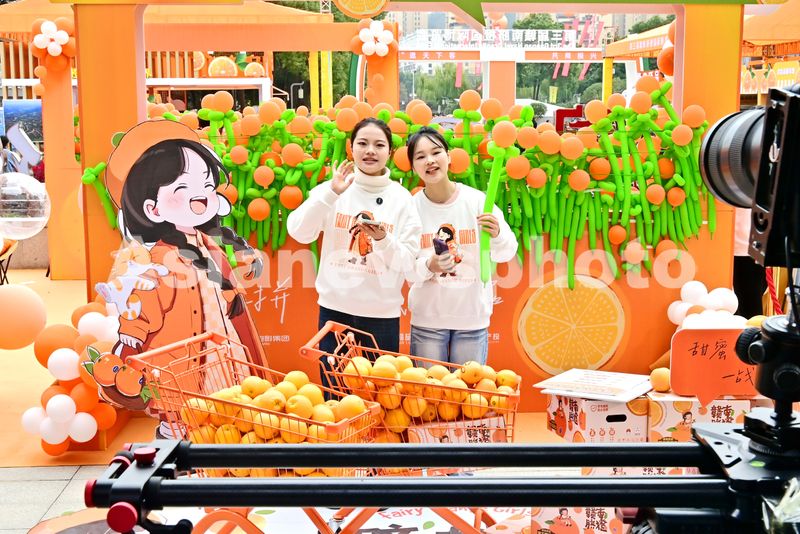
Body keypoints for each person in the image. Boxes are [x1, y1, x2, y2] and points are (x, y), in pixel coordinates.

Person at [103, 120, 267, 369]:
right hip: (188, 356)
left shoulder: (207, 244)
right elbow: (146, 298)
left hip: (224, 345)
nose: (201, 196)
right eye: (183, 187)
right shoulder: (161, 257)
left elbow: (223, 291)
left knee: (230, 388)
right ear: (153, 209)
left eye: (207, 185)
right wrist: (134, 330)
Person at [288, 118, 422, 387]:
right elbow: (299, 231)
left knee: (382, 395)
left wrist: (382, 239)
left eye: (379, 145)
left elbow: (408, 263)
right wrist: (330, 194)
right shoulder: (334, 189)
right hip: (335, 311)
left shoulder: (402, 199)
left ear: (390, 152)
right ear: (351, 148)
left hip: (382, 315)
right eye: (363, 143)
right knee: (335, 392)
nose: (370, 150)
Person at [406, 127, 516, 366]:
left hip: (471, 320)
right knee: (428, 390)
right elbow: (405, 269)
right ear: (413, 167)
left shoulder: (477, 201)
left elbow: (507, 252)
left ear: (448, 157)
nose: (430, 160)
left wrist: (497, 235)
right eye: (421, 156)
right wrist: (430, 265)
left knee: (470, 390)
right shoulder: (410, 209)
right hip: (427, 322)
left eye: (436, 152)